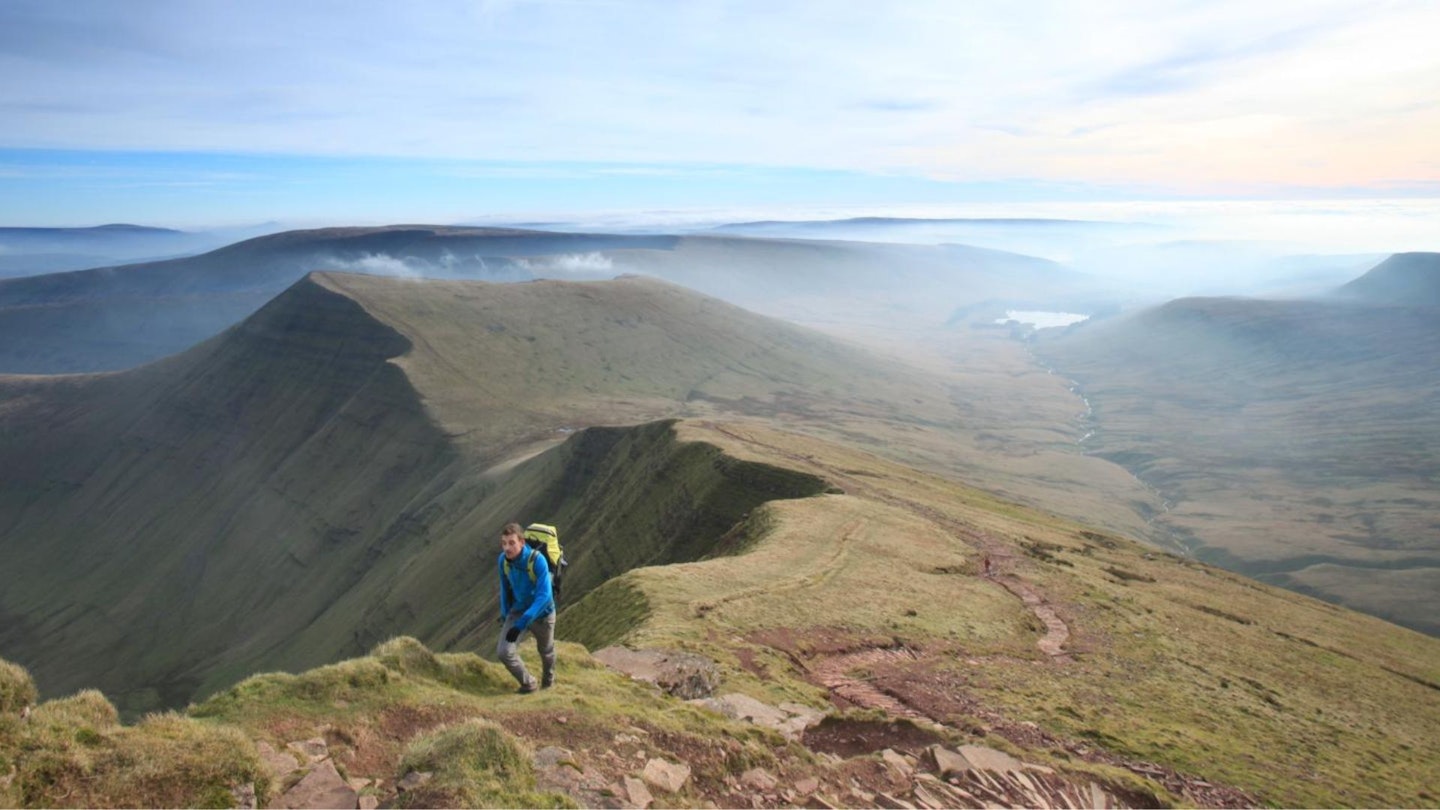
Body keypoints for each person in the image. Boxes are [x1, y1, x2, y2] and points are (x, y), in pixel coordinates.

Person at [496, 522, 556, 693]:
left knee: (546, 651)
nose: (507, 548)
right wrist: (505, 614)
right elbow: (504, 588)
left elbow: (544, 596)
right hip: (518, 610)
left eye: (512, 543)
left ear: (522, 542)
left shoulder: (538, 561)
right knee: (504, 652)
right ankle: (529, 683)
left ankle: (548, 682)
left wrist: (522, 623)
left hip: (543, 613)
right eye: (504, 543)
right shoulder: (503, 561)